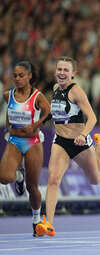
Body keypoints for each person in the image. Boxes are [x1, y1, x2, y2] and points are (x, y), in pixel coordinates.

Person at [35, 56, 100, 236]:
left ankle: (99, 144)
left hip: (79, 142)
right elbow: (56, 112)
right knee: (53, 179)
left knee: (95, 180)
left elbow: (93, 118)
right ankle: (48, 223)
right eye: (59, 69)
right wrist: (41, 121)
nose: (61, 73)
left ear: (73, 74)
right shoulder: (54, 88)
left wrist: (84, 135)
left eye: (66, 70)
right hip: (60, 141)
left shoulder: (77, 92)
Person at [0, 61, 50, 236]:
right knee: (4, 177)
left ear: (29, 76)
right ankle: (18, 176)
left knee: (32, 187)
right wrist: (8, 128)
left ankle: (36, 220)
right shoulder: (8, 95)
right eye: (15, 75)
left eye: (21, 75)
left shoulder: (37, 97)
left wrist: (35, 125)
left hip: (32, 142)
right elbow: (9, 112)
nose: (17, 79)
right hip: (14, 140)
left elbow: (48, 112)